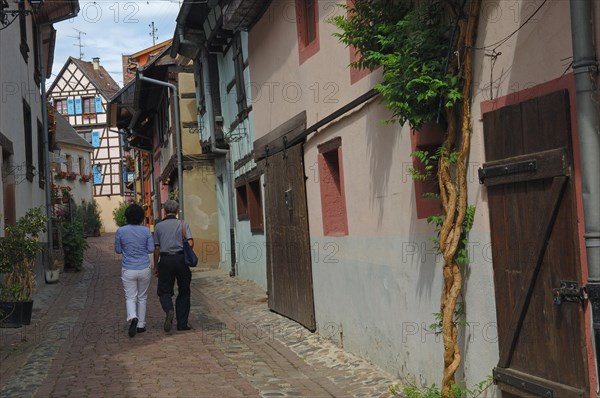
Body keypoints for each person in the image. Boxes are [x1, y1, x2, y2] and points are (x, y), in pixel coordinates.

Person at [114, 203, 154, 338]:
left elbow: (118, 250)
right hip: (144, 267)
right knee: (142, 296)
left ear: (127, 217)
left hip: (128, 268)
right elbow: (151, 249)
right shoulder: (146, 231)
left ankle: (133, 316)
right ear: (141, 217)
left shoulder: (121, 231)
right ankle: (141, 325)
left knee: (130, 296)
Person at [153, 200, 194, 332]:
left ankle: (169, 309)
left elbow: (157, 248)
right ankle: (182, 323)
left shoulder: (158, 226)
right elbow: (191, 243)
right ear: (177, 211)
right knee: (184, 290)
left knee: (164, 290)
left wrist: (156, 266)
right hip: (181, 259)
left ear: (164, 211)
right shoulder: (183, 224)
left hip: (165, 260)